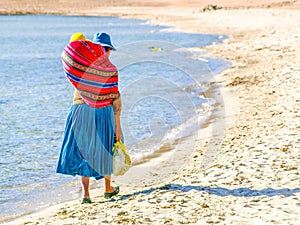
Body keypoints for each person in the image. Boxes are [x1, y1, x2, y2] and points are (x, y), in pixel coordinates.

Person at [56, 32, 122, 203]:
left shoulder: (79, 66)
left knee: (83, 151)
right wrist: (118, 126)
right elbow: (115, 99)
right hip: (102, 111)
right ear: (105, 50)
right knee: (105, 148)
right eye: (107, 49)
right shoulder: (108, 69)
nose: (107, 53)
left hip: (78, 109)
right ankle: (108, 189)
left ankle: (86, 194)